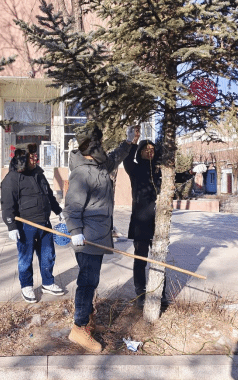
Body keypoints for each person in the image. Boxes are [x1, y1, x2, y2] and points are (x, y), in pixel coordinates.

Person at [64, 123, 138, 353]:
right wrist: (75, 232)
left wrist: (129, 142)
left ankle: (88, 319)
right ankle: (79, 327)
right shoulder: (82, 173)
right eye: (99, 144)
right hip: (87, 237)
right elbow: (72, 207)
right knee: (87, 282)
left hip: (98, 235)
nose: (103, 148)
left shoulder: (98, 165)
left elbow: (115, 157)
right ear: (91, 147)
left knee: (91, 280)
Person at [0, 143, 65, 303]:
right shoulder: (12, 178)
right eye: (32, 157)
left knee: (48, 255)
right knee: (26, 258)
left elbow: (49, 195)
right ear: (22, 158)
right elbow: (7, 204)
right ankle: (26, 286)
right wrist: (11, 226)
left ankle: (47, 283)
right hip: (25, 226)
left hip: (44, 223)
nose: (35, 159)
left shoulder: (39, 174)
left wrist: (58, 211)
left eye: (35, 156)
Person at [123, 128, 164, 308]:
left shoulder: (159, 170)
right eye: (146, 149)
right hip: (140, 222)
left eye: (152, 149)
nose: (150, 152)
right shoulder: (135, 168)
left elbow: (175, 178)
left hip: (158, 222)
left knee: (159, 260)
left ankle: (160, 293)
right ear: (140, 152)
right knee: (140, 259)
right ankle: (140, 293)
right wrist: (132, 142)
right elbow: (126, 160)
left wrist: (190, 173)